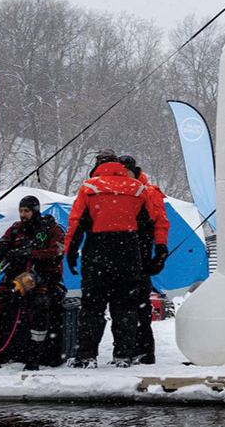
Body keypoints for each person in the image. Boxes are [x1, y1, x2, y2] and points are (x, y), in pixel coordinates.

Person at [65, 149, 165, 367]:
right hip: (129, 254)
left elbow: (76, 224)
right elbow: (149, 226)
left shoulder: (89, 188)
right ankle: (123, 355)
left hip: (97, 254)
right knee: (125, 309)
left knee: (92, 308)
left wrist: (70, 252)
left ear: (97, 166)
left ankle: (86, 356)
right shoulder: (139, 189)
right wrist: (155, 253)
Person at [0, 195, 66, 370]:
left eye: (26, 211)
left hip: (44, 282)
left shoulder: (51, 229)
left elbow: (58, 251)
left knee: (39, 306)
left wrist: (31, 253)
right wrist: (1, 250)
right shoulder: (15, 230)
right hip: (15, 283)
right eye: (20, 211)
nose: (23, 215)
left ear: (35, 210)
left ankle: (35, 355)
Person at [120, 154, 170, 365]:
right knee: (126, 306)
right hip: (126, 253)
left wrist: (160, 249)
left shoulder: (148, 192)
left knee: (139, 304)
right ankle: (130, 348)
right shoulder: (122, 192)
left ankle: (144, 350)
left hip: (140, 255)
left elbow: (160, 223)